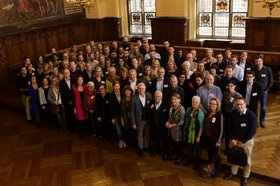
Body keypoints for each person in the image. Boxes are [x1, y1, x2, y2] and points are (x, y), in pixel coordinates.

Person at [224, 97, 257, 186]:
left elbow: (252, 131)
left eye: (241, 104)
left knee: (247, 159)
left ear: (245, 104)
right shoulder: (232, 114)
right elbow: (229, 127)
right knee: (234, 157)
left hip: (246, 141)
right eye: (237, 104)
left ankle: (245, 176)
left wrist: (242, 142)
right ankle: (233, 173)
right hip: (234, 141)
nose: (239, 106)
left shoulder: (251, 115)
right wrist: (232, 139)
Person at [131, 82, 153, 156]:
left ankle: (146, 146)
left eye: (142, 88)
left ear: (145, 89)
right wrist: (133, 123)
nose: (141, 90)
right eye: (139, 89)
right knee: (139, 135)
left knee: (147, 134)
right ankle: (141, 148)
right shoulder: (134, 98)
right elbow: (132, 112)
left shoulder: (149, 95)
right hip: (139, 120)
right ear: (137, 90)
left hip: (148, 119)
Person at [252, 55, 273, 128]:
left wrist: (267, 90)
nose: (258, 63)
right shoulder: (253, 69)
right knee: (255, 107)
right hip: (255, 91)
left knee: (263, 107)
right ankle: (256, 121)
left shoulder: (268, 69)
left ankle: (262, 120)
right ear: (255, 62)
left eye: (259, 61)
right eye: (256, 61)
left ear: (262, 61)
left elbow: (271, 81)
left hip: (264, 92)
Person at [183, 96, 205, 169]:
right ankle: (190, 159)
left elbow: (201, 126)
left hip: (197, 133)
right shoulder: (189, 109)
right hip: (189, 133)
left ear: (199, 103)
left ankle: (197, 162)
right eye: (193, 102)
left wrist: (198, 136)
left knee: (197, 149)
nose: (195, 104)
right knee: (190, 147)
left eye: (197, 102)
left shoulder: (200, 113)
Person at [204, 97, 223, 178]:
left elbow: (221, 129)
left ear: (217, 105)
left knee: (216, 155)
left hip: (216, 139)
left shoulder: (219, 114)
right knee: (210, 153)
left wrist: (219, 141)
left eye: (214, 104)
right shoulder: (208, 112)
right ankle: (210, 167)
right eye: (211, 103)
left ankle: (218, 169)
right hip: (208, 138)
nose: (212, 105)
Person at [222, 81, 242, 155]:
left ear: (235, 86)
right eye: (228, 86)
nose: (230, 87)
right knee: (227, 132)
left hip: (234, 116)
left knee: (234, 133)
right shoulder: (225, 93)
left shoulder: (238, 95)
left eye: (231, 86)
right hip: (226, 115)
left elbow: (240, 107)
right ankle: (227, 148)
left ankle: (235, 148)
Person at [166, 93, 185, 164]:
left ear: (179, 100)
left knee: (178, 144)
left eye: (175, 99)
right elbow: (170, 117)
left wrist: (172, 125)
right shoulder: (171, 106)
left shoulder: (181, 109)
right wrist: (167, 122)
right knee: (173, 143)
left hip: (178, 130)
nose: (173, 101)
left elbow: (181, 122)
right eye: (172, 99)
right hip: (171, 129)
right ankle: (175, 155)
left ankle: (179, 157)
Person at [149, 90, 168, 157]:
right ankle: (156, 150)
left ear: (161, 97)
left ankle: (164, 152)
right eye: (156, 96)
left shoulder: (165, 104)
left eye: (159, 97)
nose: (157, 98)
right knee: (155, 139)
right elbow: (150, 113)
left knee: (163, 140)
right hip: (154, 125)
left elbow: (167, 116)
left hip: (162, 126)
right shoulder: (151, 102)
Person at [109, 82, 126, 149]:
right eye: (115, 86)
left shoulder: (123, 93)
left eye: (117, 86)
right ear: (113, 87)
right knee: (118, 130)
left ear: (119, 86)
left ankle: (123, 140)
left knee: (123, 129)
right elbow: (110, 108)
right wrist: (112, 117)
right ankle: (120, 140)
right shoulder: (111, 95)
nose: (116, 88)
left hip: (123, 115)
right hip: (115, 115)